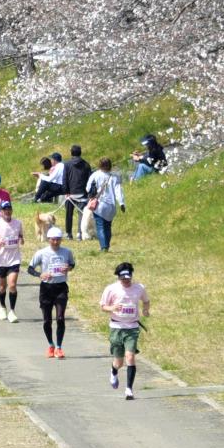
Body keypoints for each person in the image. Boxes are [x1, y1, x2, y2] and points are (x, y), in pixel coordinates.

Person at [100, 260, 149, 400]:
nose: (126, 282)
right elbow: (103, 306)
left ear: (131, 276)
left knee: (130, 357)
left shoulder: (139, 288)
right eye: (123, 279)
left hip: (132, 328)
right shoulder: (111, 289)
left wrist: (146, 309)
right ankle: (114, 371)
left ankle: (129, 389)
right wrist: (112, 308)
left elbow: (146, 300)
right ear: (118, 278)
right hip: (116, 327)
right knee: (119, 362)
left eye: (128, 279)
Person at [27, 225, 77, 358]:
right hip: (46, 289)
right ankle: (51, 345)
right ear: (48, 239)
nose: (55, 242)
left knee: (60, 318)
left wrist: (69, 268)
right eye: (53, 240)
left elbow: (72, 264)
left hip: (61, 287)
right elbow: (30, 268)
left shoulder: (67, 252)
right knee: (47, 320)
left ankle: (59, 347)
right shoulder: (41, 253)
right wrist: (40, 275)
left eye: (58, 240)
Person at [0, 199, 25, 322]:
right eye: (4, 210)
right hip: (1, 260)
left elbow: (20, 235)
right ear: (1, 212)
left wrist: (21, 239)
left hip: (14, 258)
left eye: (9, 209)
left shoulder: (18, 223)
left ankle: (12, 311)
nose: (7, 212)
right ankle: (3, 307)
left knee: (12, 285)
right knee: (2, 287)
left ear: (11, 210)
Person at [85, 158, 122, 251]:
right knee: (108, 226)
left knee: (100, 226)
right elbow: (119, 191)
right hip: (111, 205)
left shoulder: (95, 175)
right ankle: (107, 245)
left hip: (98, 204)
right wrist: (121, 203)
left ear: (100, 165)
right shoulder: (115, 177)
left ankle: (104, 247)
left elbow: (87, 188)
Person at [58, 147, 89, 236]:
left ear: (71, 153)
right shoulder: (86, 164)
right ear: (80, 153)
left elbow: (65, 179)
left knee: (68, 214)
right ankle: (80, 233)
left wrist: (66, 191)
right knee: (81, 215)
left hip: (70, 194)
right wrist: (88, 193)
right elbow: (89, 180)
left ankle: (69, 233)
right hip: (82, 193)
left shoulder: (67, 164)